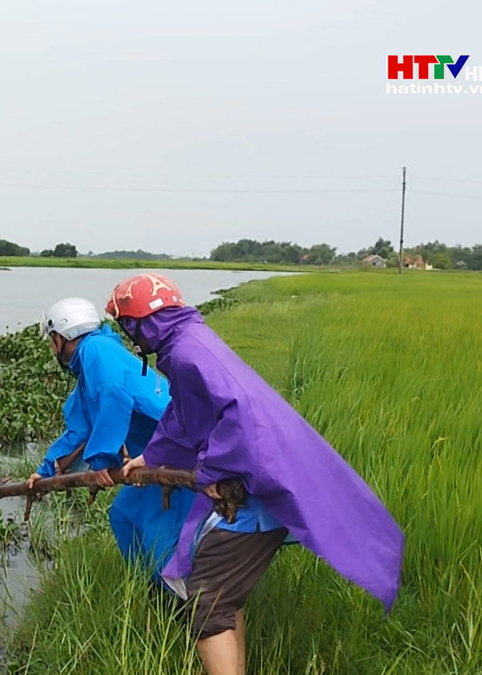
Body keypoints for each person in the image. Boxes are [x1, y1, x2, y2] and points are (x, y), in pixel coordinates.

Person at [107, 273, 405, 675]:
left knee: (205, 604)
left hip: (255, 487)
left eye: (127, 326)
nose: (129, 337)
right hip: (270, 472)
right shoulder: (191, 340)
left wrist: (210, 472)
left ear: (140, 323)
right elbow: (184, 413)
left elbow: (240, 412)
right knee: (222, 597)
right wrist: (151, 457)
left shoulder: (183, 355)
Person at [28, 297, 197, 586]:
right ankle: (153, 595)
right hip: (158, 456)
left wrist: (102, 461)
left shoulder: (96, 350)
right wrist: (45, 472)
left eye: (51, 339)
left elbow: (114, 397)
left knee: (162, 540)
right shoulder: (93, 360)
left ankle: (185, 606)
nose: (51, 347)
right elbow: (81, 429)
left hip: (181, 451)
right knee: (123, 516)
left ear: (61, 336)